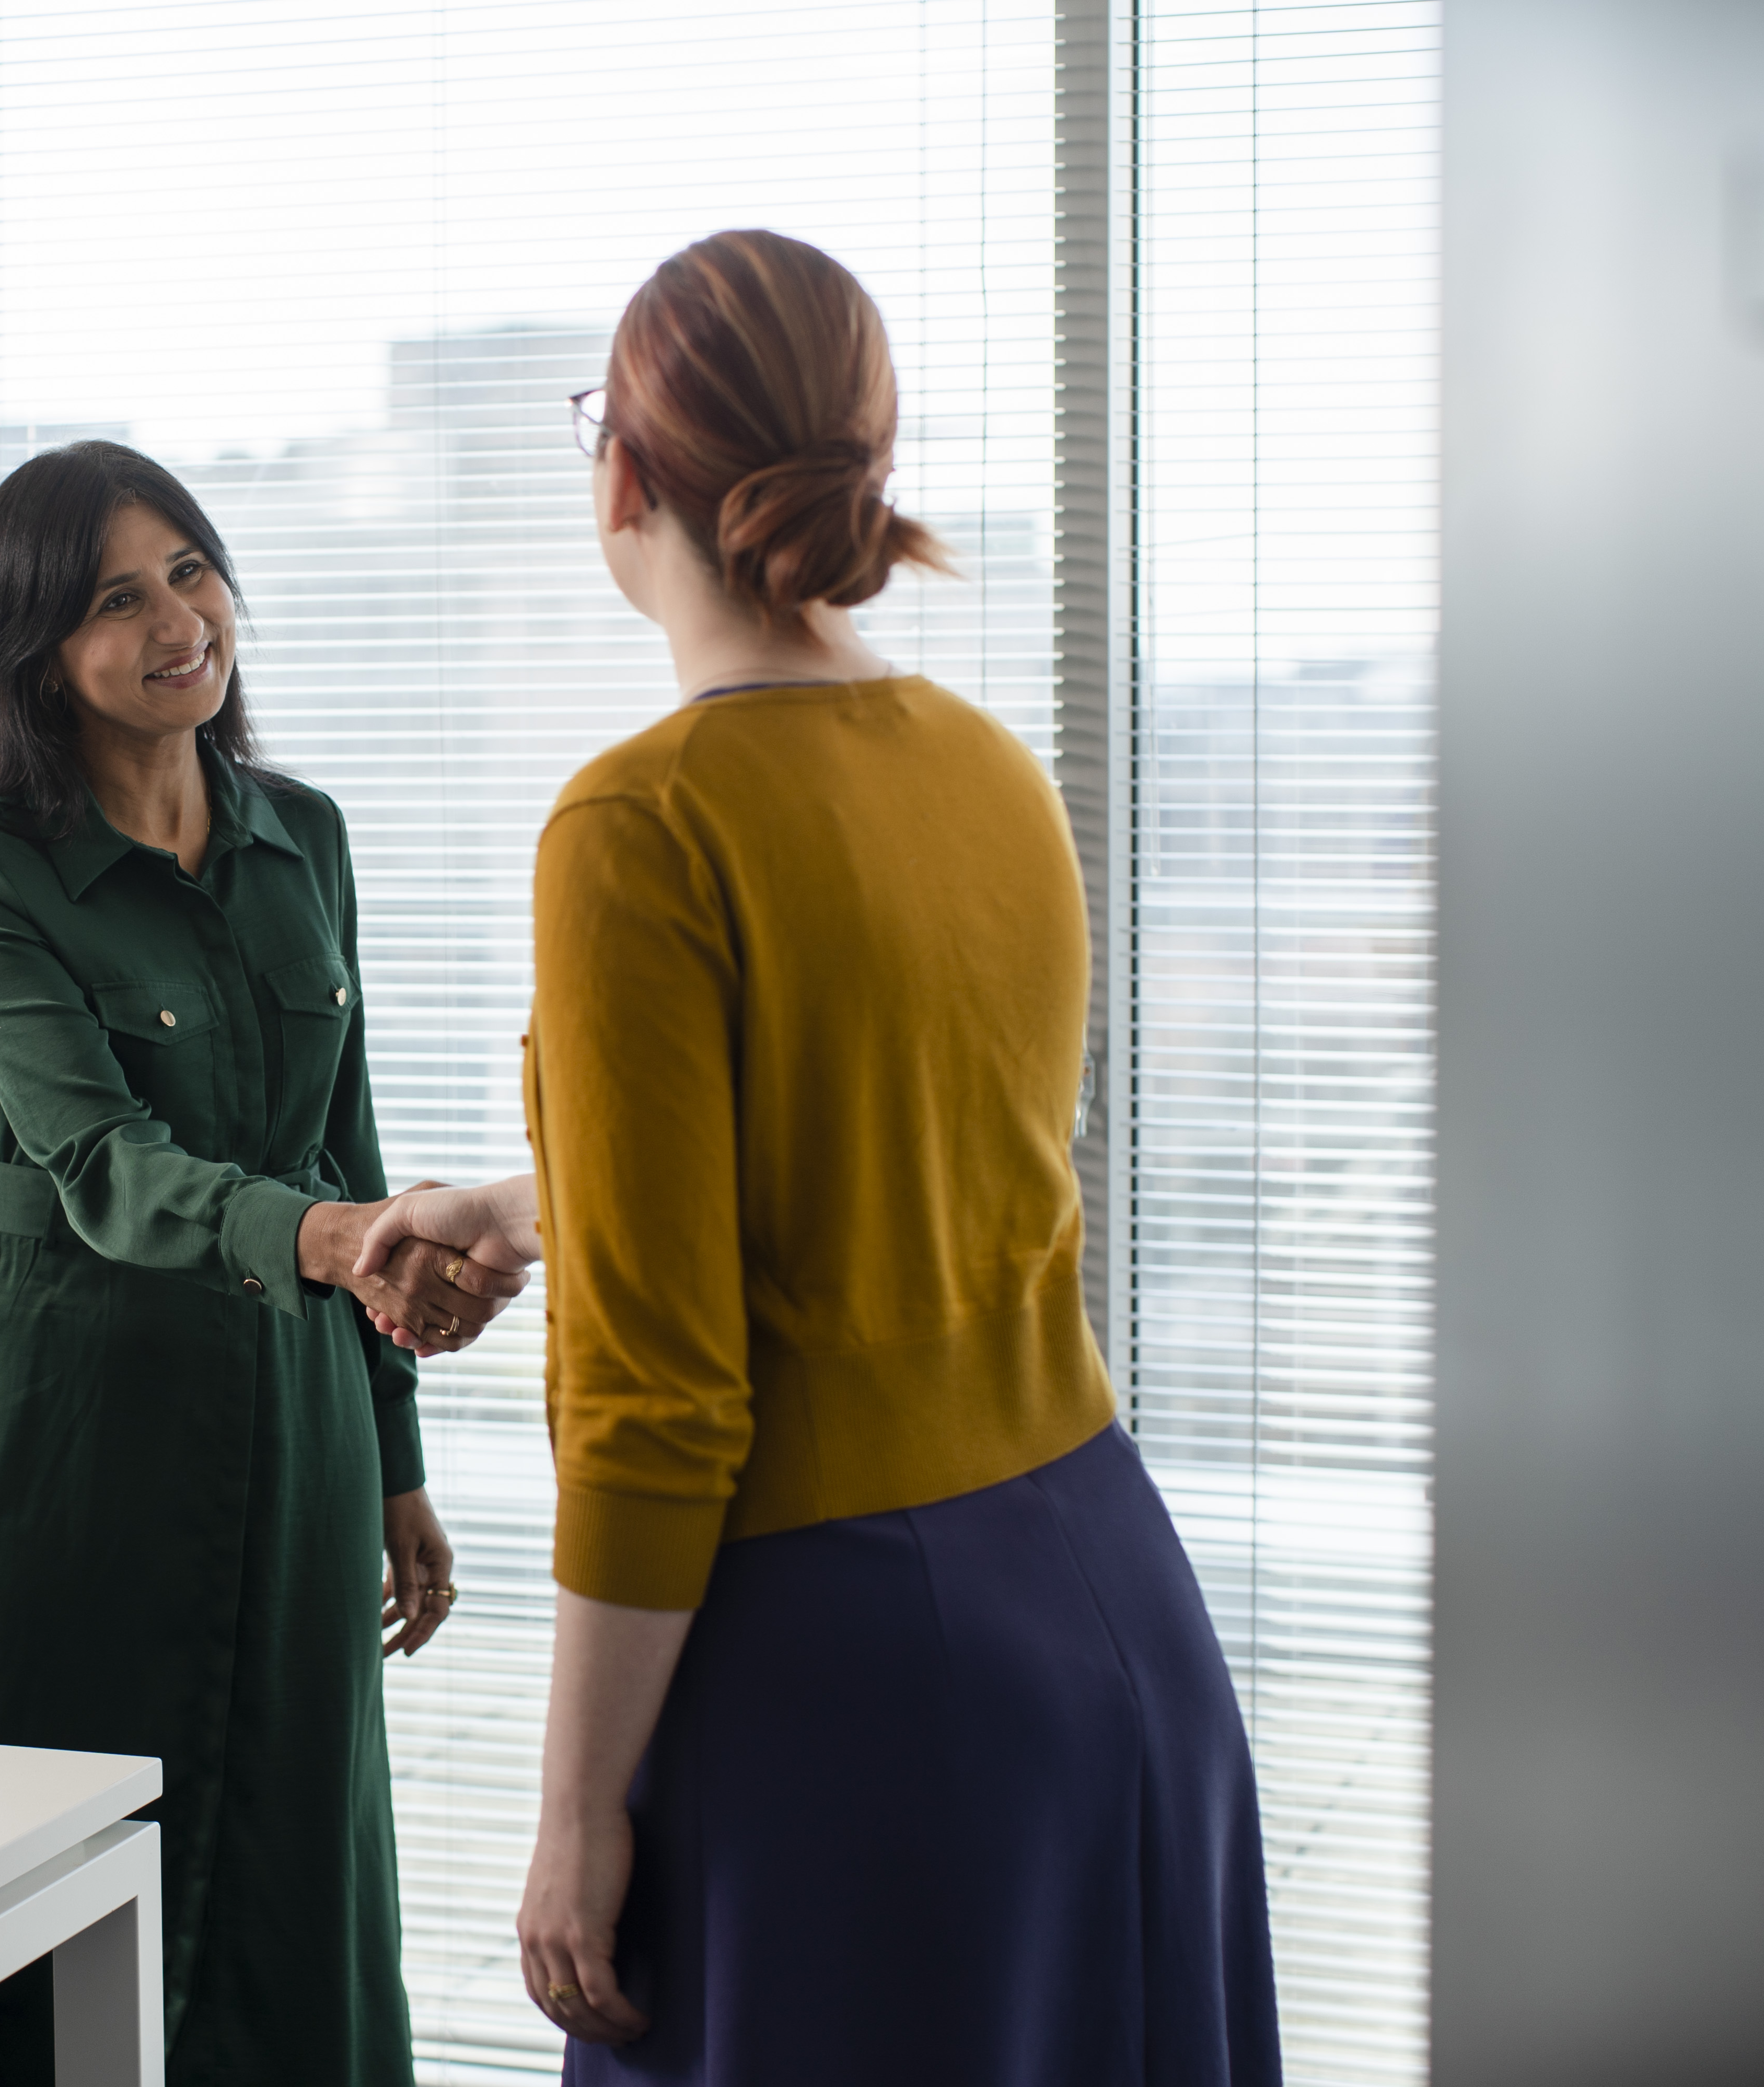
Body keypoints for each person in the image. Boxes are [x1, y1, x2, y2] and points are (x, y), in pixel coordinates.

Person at [356, 231, 1285, 2084]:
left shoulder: (641, 823)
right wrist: (528, 1210)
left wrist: (576, 1810)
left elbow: (663, 1397)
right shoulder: (986, 767)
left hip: (841, 1669)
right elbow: (894, 1178)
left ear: (623, 472)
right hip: (1108, 1603)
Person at [0, 440, 524, 2087]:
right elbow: (102, 1162)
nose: (180, 620)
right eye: (118, 599)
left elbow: (348, 1143)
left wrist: (394, 1454)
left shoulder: (305, 834)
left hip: (303, 1400)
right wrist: (338, 1240)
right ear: (39, 653)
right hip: (68, 1415)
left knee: (293, 1853)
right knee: (59, 1856)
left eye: (191, 570)